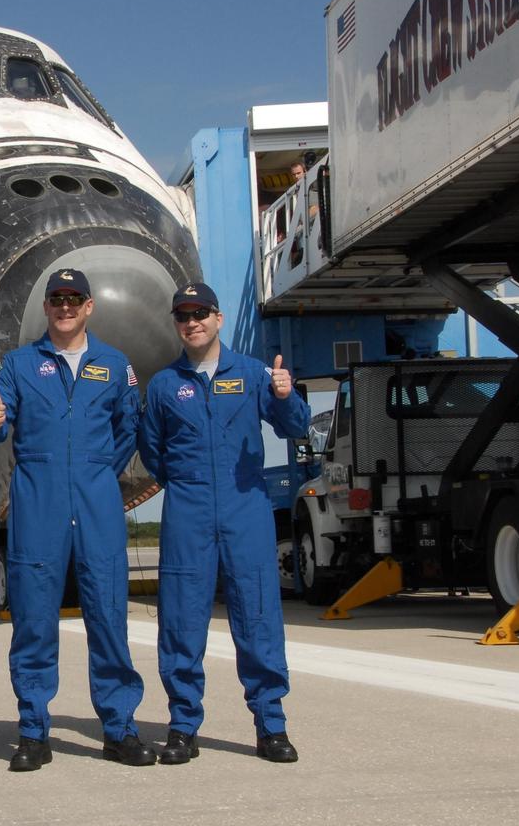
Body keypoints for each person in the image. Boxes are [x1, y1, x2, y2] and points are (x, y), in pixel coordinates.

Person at [0, 268, 155, 771]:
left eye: (74, 298)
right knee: (34, 623)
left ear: (89, 306)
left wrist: (97, 470)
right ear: (47, 307)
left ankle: (119, 729)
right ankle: (34, 732)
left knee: (108, 618)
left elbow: (128, 428)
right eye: (56, 298)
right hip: (38, 504)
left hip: (97, 502)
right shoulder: (17, 364)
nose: (65, 306)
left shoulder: (114, 364)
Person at [136, 282, 309, 765]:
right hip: (188, 509)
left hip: (245, 505)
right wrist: (187, 483)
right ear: (177, 324)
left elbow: (294, 426)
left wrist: (286, 395)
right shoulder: (165, 385)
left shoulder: (254, 374)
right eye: (183, 316)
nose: (192, 322)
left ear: (218, 319)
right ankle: (183, 726)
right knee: (181, 619)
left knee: (256, 613)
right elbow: (153, 451)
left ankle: (270, 725)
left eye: (201, 313)